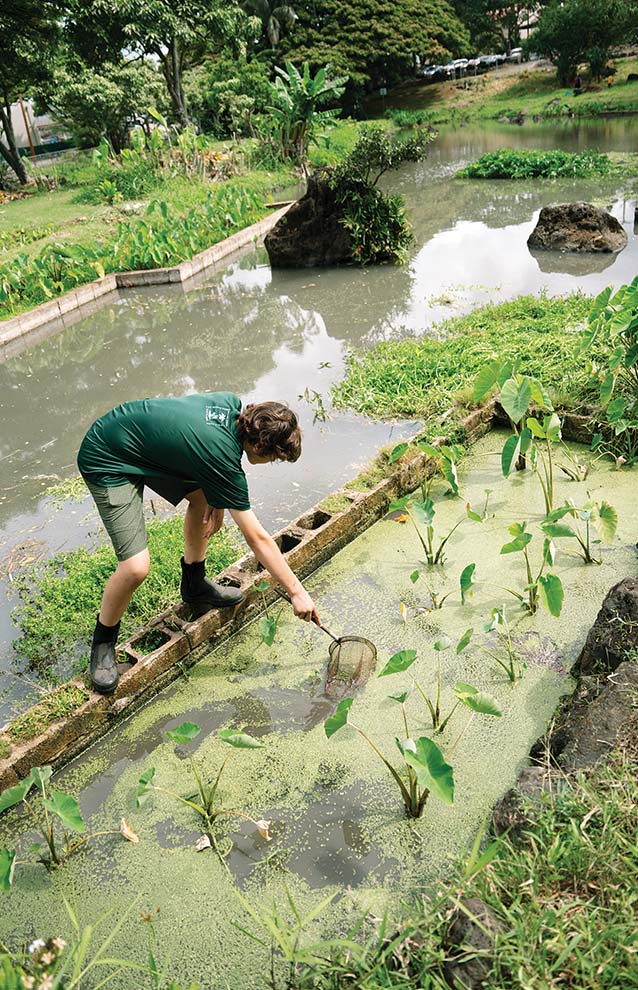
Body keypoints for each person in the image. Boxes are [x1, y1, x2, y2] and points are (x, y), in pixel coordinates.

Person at [77, 392, 320, 694]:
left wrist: (212, 487)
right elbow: (256, 537)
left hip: (139, 438)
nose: (271, 462)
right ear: (258, 444)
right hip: (109, 455)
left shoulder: (231, 407)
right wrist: (297, 592)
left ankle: (194, 584)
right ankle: (103, 645)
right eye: (273, 456)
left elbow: (196, 443)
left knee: (202, 497)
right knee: (136, 567)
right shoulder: (221, 456)